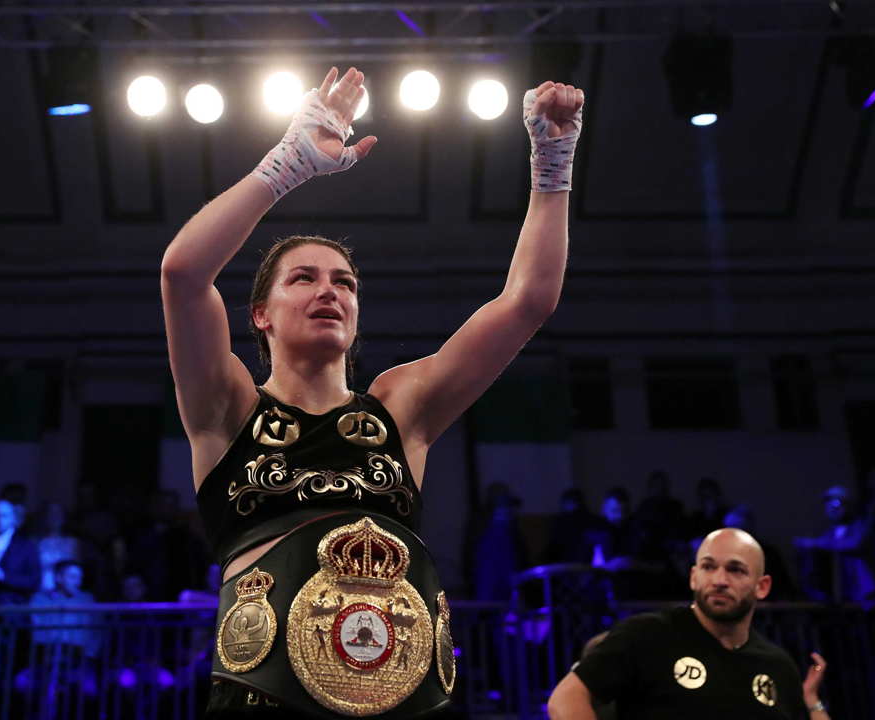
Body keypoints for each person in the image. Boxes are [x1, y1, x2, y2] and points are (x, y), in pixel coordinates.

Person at [161, 65, 582, 718]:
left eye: (346, 283)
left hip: (406, 699)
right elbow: (184, 273)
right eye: (303, 278)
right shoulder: (228, 408)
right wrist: (287, 165)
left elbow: (529, 302)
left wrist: (552, 158)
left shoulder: (400, 407)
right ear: (261, 315)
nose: (330, 290)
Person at [547, 528, 829, 719]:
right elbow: (565, 700)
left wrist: (811, 701)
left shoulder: (777, 666)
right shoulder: (647, 635)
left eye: (735, 570)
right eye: (708, 567)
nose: (719, 580)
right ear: (694, 576)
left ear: (762, 586)